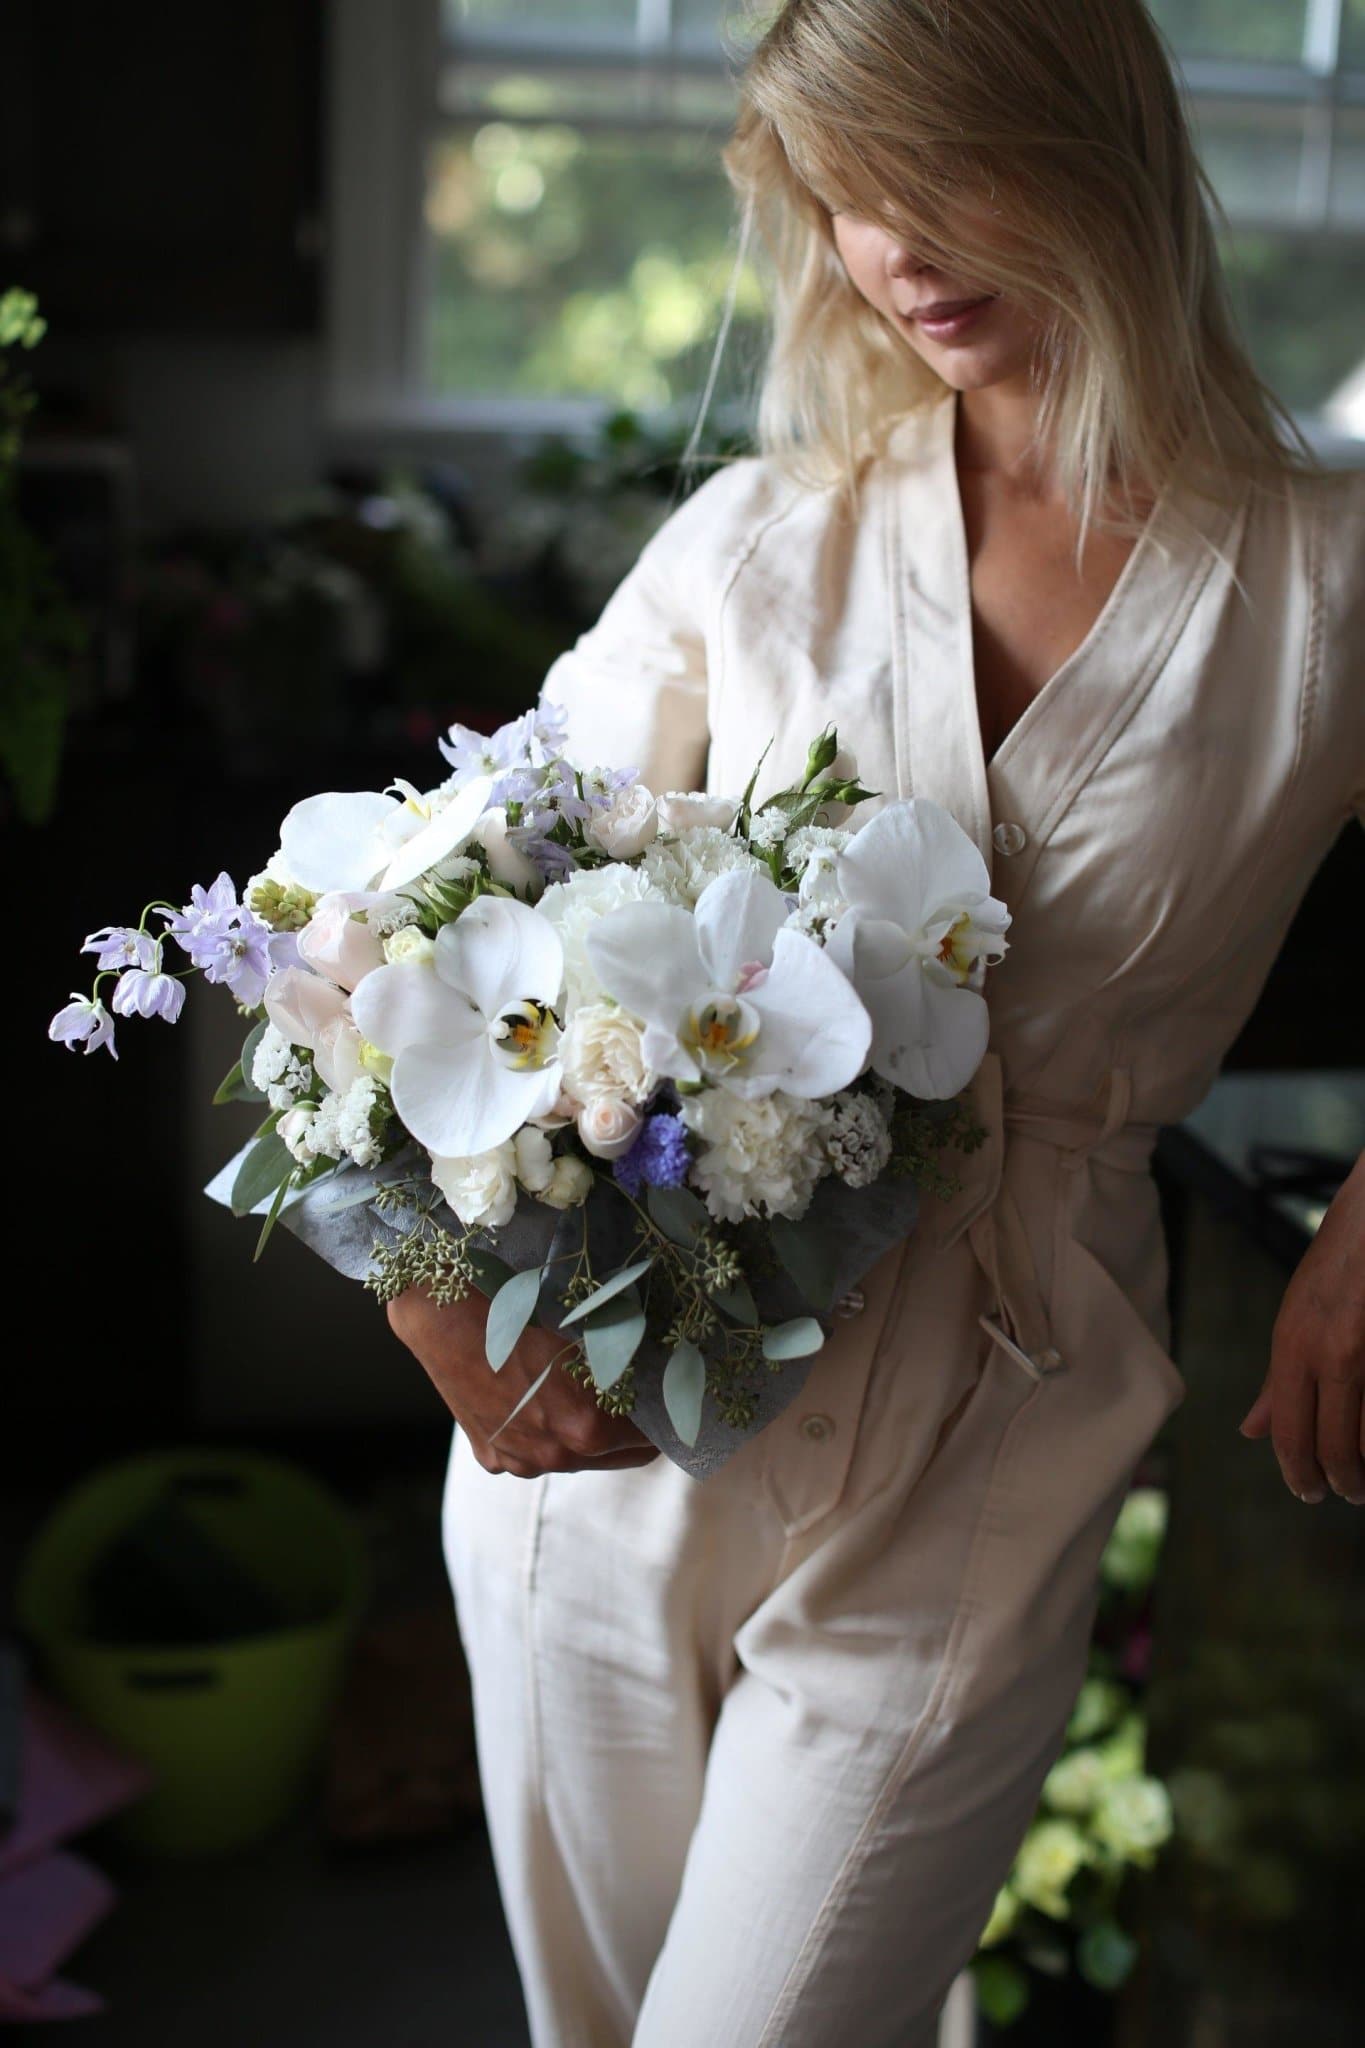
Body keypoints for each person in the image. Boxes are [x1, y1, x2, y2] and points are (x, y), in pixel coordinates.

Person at [386, 3, 1365, 2042]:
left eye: (945, 171)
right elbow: (436, 909)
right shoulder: (758, 540)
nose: (895, 245)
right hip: (612, 1410)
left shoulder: (1322, 577)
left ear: (1093, 148)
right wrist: (416, 1282)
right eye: (843, 195)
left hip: (993, 1428)